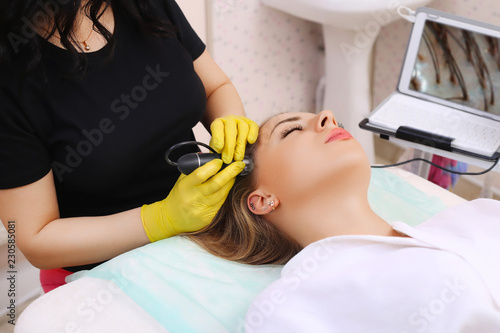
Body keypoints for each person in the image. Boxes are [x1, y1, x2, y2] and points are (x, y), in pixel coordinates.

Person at [0, 0, 258, 293]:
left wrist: (230, 119)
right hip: (101, 276)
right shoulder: (10, 75)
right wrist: (161, 219)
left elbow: (215, 87)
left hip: (204, 238)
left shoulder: (148, 6)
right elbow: (37, 240)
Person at [187, 110, 500, 332]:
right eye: (291, 130)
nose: (328, 116)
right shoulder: (292, 307)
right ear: (262, 199)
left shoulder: (478, 214)